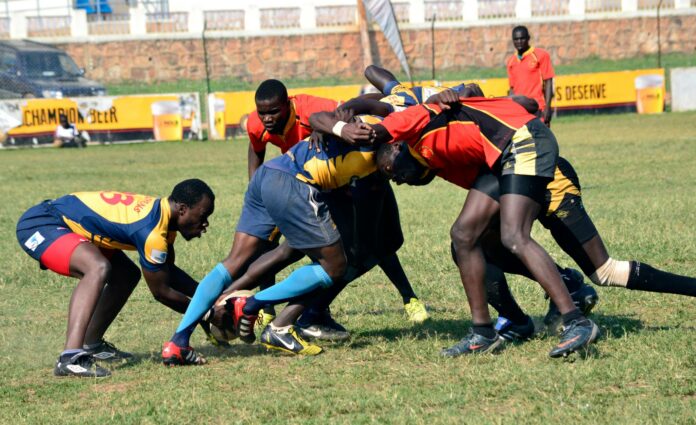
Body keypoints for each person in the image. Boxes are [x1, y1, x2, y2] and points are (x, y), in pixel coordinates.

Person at [342, 95, 599, 358]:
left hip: (516, 147)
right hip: (501, 163)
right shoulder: (434, 161)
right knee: (465, 239)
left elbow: (374, 129)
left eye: (390, 170)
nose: (396, 180)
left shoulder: (411, 124)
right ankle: (488, 330)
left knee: (511, 238)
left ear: (396, 146)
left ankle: (575, 320)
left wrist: (335, 125)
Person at [162, 114, 413, 364]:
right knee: (335, 265)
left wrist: (332, 127)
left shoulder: (375, 150)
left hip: (269, 174)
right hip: (294, 183)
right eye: (400, 170)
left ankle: (179, 339)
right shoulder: (367, 134)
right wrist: (338, 126)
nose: (396, 176)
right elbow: (323, 114)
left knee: (240, 260)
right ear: (397, 146)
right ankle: (256, 309)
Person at [247, 79, 428, 326]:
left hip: (361, 175)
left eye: (273, 112)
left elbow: (344, 112)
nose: (267, 118)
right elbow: (256, 151)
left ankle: (406, 298)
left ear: (287, 105)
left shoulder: (311, 107)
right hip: (308, 184)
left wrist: (330, 127)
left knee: (376, 244)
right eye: (262, 113)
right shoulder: (256, 124)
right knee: (301, 249)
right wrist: (256, 192)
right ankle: (274, 308)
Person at [15, 179, 215, 377]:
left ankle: (92, 344)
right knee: (97, 268)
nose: (205, 223)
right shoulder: (151, 231)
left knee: (126, 275)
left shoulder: (163, 217)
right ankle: (70, 357)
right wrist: (208, 314)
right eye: (203, 215)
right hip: (42, 223)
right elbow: (161, 292)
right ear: (182, 209)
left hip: (68, 223)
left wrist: (215, 299)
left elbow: (167, 273)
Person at [506, 26, 555, 126]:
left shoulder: (541, 55)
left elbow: (548, 81)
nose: (519, 42)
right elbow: (512, 89)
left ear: (528, 38)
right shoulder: (511, 61)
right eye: (516, 39)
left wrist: (548, 107)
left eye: (522, 38)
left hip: (538, 108)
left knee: (541, 140)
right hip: (520, 111)